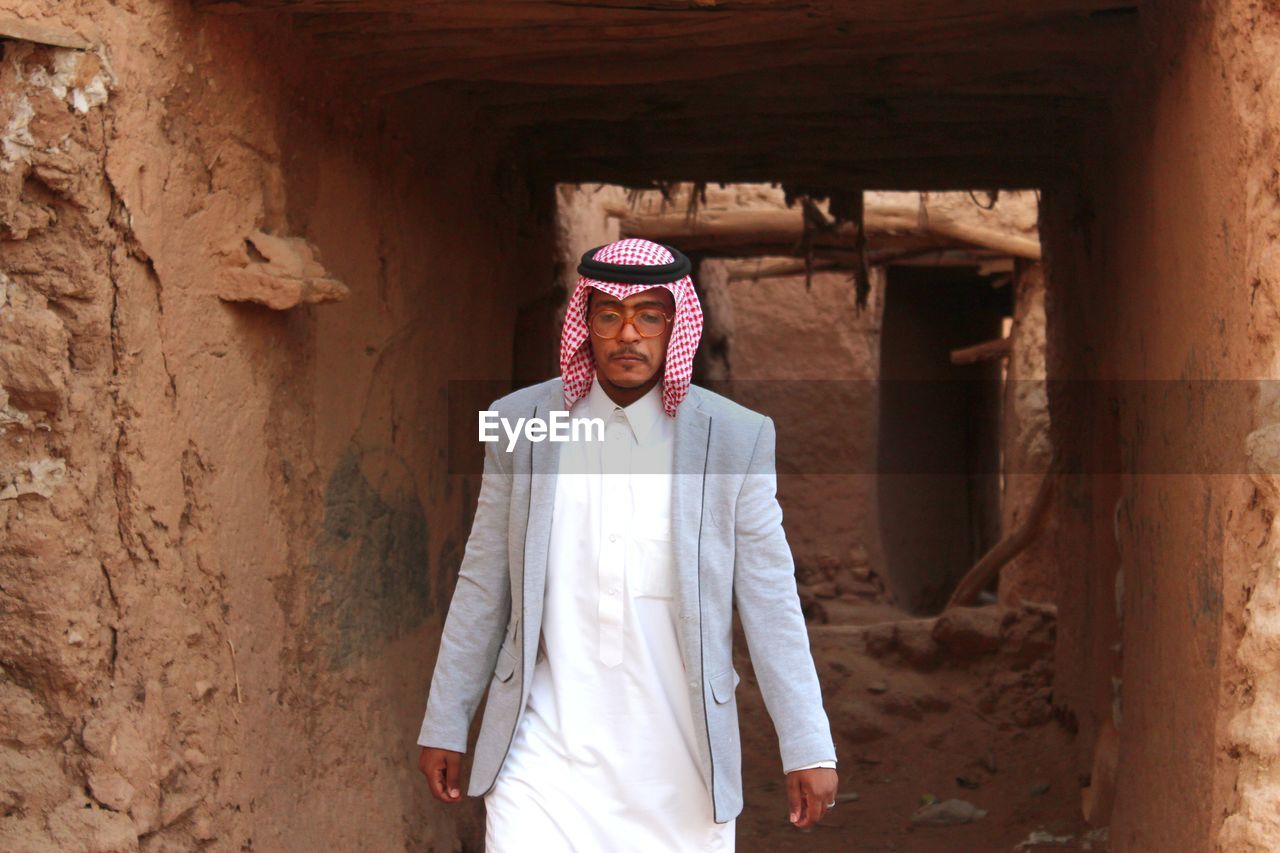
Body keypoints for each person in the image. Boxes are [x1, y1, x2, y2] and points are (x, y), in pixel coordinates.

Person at [416, 238, 838, 850]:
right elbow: (484, 581)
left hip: (678, 768)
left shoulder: (734, 439)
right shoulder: (520, 425)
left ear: (677, 325)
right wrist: (446, 720)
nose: (627, 334)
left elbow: (771, 600)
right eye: (609, 315)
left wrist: (806, 741)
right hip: (544, 759)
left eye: (649, 314)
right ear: (584, 324)